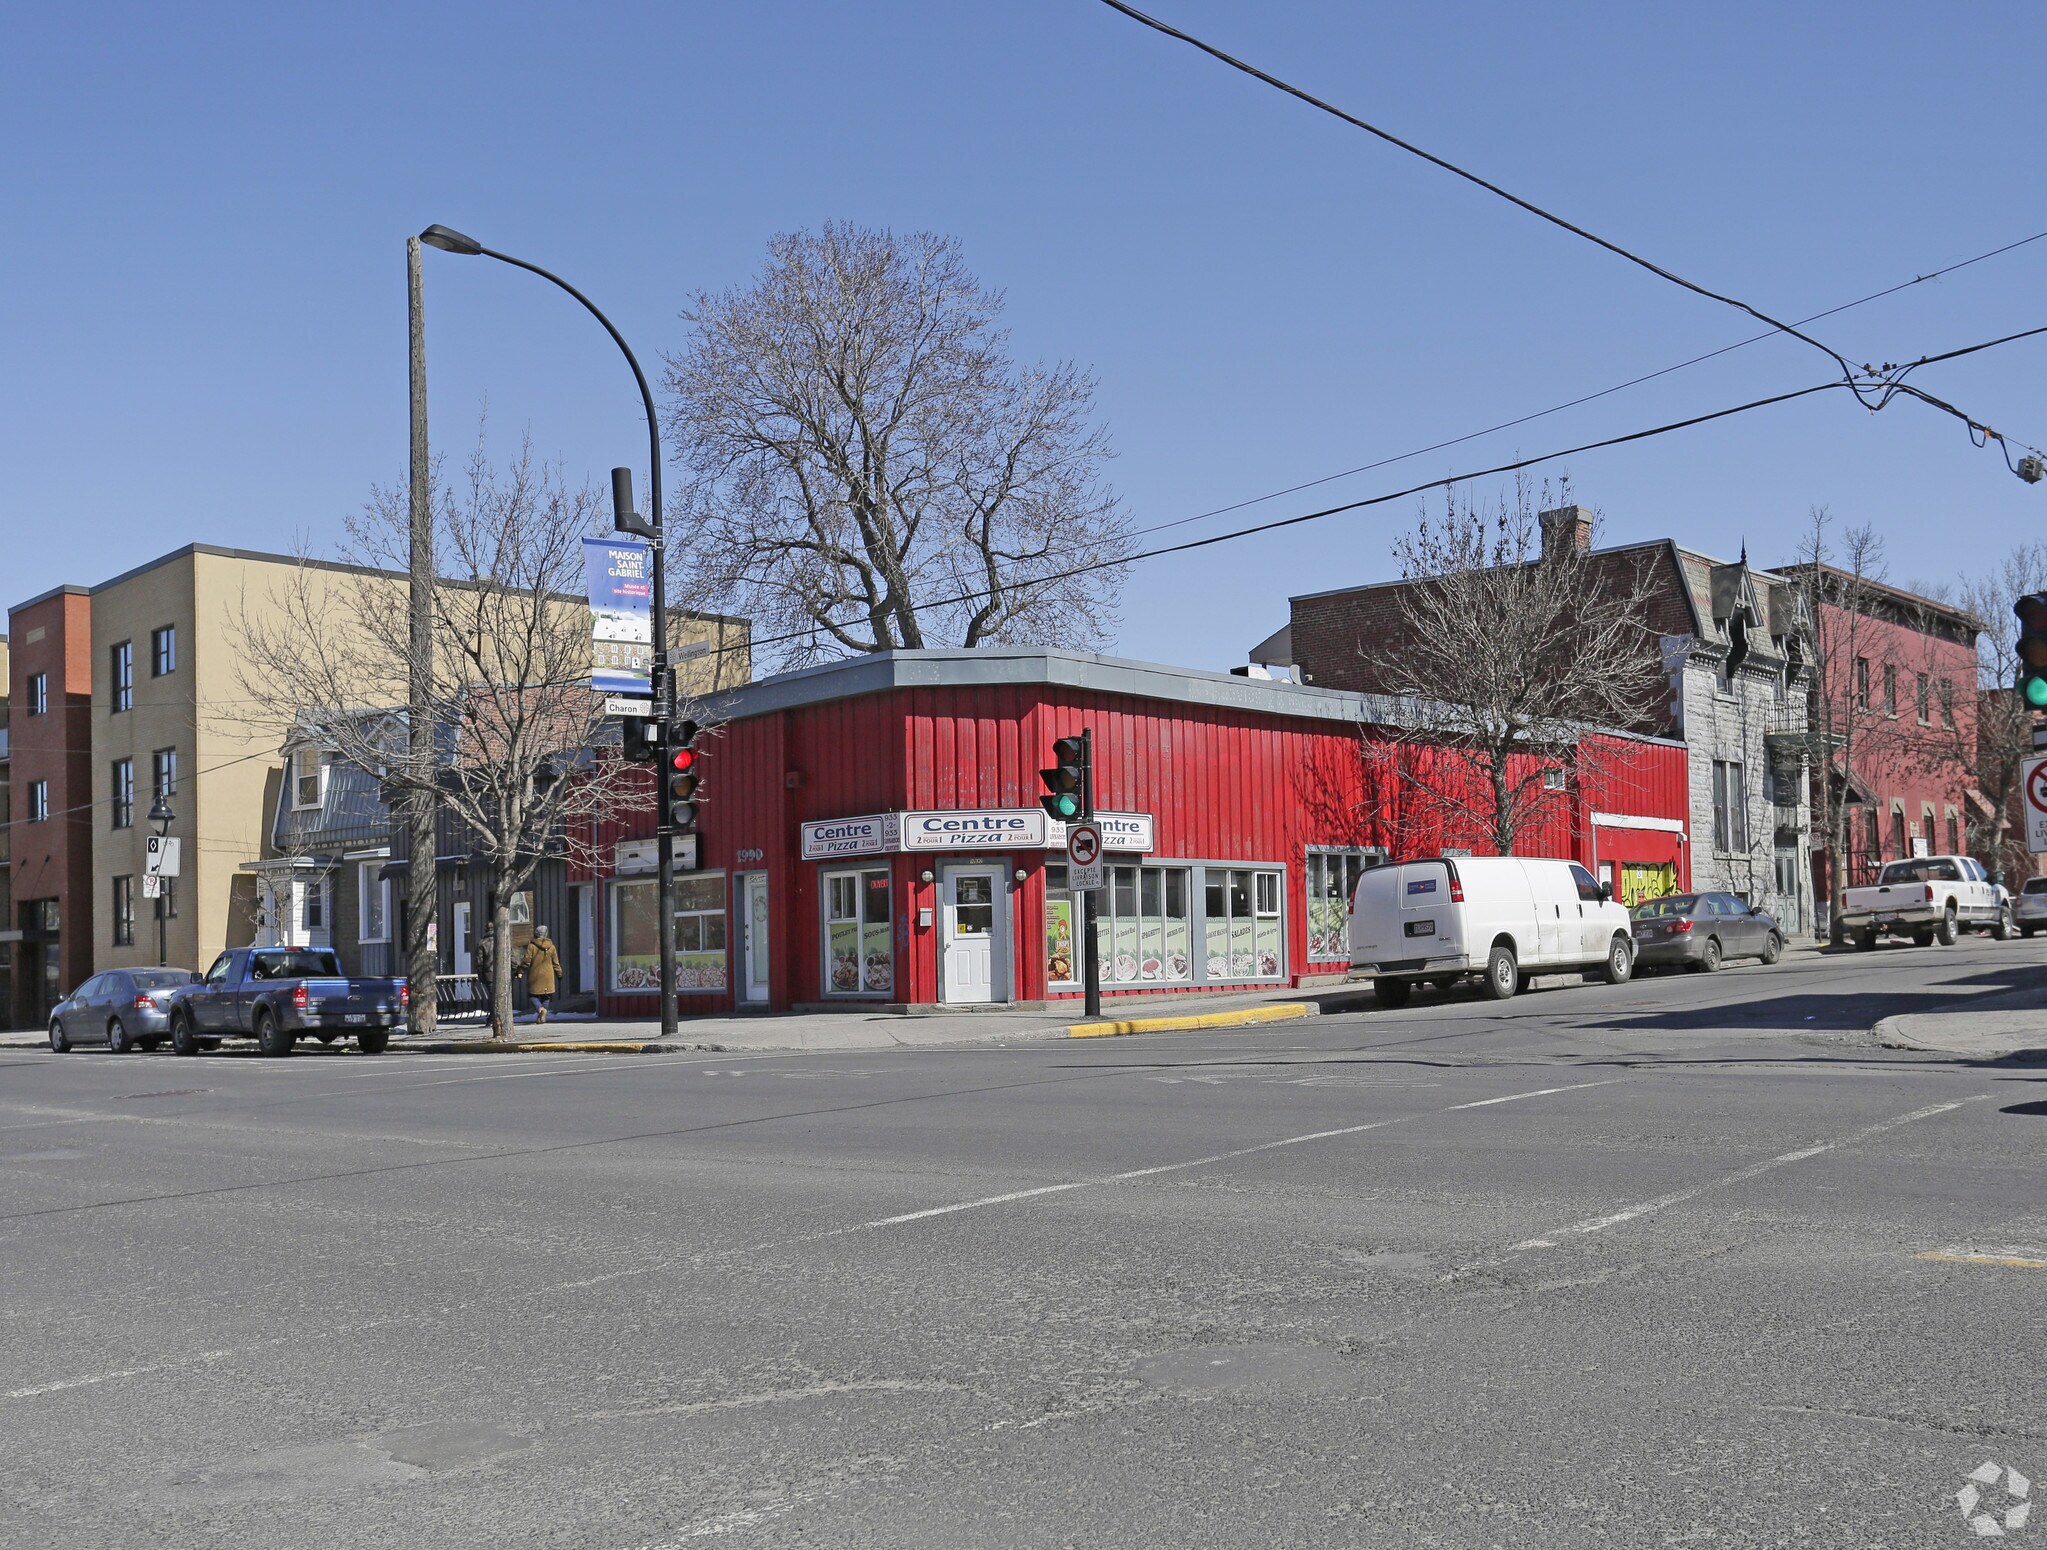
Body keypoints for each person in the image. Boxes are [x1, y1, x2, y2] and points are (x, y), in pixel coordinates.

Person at [516, 925, 562, 1024]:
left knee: (532, 995)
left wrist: (520, 971)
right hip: (548, 976)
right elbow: (556, 962)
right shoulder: (552, 947)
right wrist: (559, 973)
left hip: (535, 975)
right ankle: (542, 1016)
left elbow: (526, 961)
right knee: (546, 996)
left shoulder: (531, 946)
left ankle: (540, 1009)